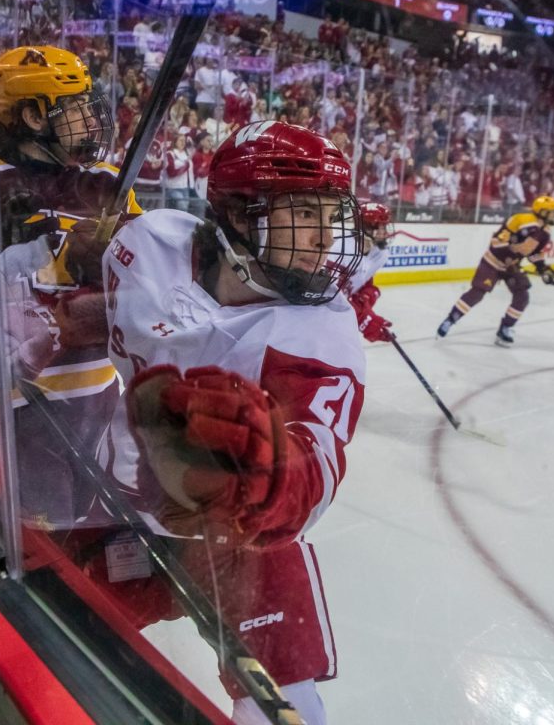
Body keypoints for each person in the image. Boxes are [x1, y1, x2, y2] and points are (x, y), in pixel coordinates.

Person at [93, 120, 365, 725]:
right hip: (113, 502)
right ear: (240, 216)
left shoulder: (319, 336)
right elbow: (98, 317)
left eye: (333, 214)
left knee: (286, 707)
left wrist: (265, 485)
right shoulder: (151, 243)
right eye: (304, 213)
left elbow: (313, 463)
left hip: (236, 542)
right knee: (42, 630)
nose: (326, 238)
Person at [0, 44, 127, 525]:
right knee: (44, 535)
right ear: (35, 116)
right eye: (76, 106)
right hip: (20, 396)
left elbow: (134, 264)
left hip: (99, 388)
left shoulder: (105, 180)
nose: (89, 118)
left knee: (88, 527)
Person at [436, 194, 554, 347]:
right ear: (542, 211)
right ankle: (450, 320)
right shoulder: (520, 220)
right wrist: (509, 253)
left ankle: (505, 328)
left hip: (511, 267)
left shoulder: (545, 232)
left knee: (522, 296)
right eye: (551, 211)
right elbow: (496, 242)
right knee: (477, 293)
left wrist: (544, 269)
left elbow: (535, 253)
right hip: (493, 261)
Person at [346, 201, 394, 343]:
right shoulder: (340, 250)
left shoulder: (379, 253)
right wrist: (365, 320)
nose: (386, 232)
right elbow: (330, 298)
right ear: (367, 228)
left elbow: (362, 280)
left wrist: (367, 294)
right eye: (382, 227)